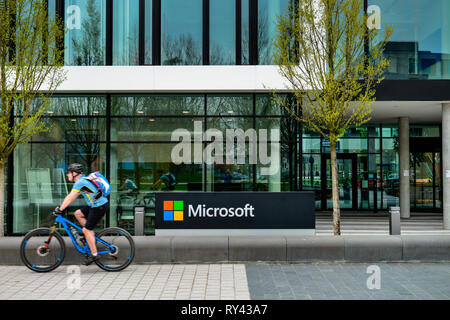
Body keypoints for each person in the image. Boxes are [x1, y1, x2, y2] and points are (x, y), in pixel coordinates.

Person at [53, 163, 109, 266]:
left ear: (74, 173)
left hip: (99, 206)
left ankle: (94, 255)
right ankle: (89, 237)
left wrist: (60, 209)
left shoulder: (80, 182)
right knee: (78, 213)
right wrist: (62, 207)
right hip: (94, 205)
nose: (67, 175)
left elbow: (70, 197)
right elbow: (72, 196)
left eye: (68, 173)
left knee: (86, 230)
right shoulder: (82, 181)